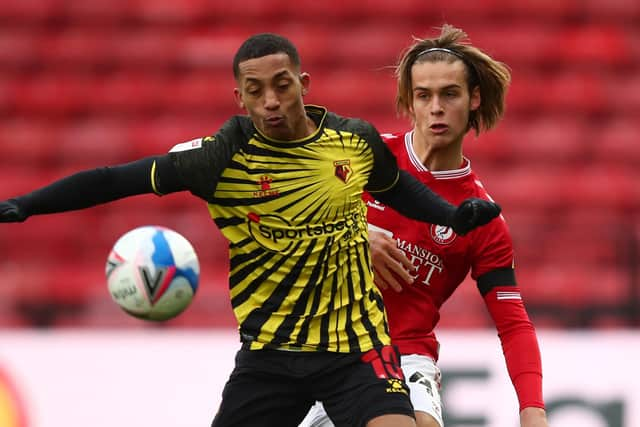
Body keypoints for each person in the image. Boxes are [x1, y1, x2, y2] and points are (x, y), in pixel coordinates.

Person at [0, 33, 502, 427]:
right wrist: (26, 204)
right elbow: (116, 179)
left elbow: (397, 189)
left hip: (358, 347)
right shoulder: (219, 160)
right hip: (271, 355)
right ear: (239, 97)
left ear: (303, 84)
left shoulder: (354, 141)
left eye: (282, 85)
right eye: (256, 90)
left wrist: (452, 217)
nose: (271, 102)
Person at [300, 25, 548, 427]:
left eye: (449, 94)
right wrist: (355, 234)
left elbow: (513, 322)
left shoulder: (481, 218)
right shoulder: (360, 158)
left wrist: (532, 408)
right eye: (424, 95)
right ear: (409, 102)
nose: (436, 107)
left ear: (473, 99)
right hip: (324, 345)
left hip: (406, 356)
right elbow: (284, 216)